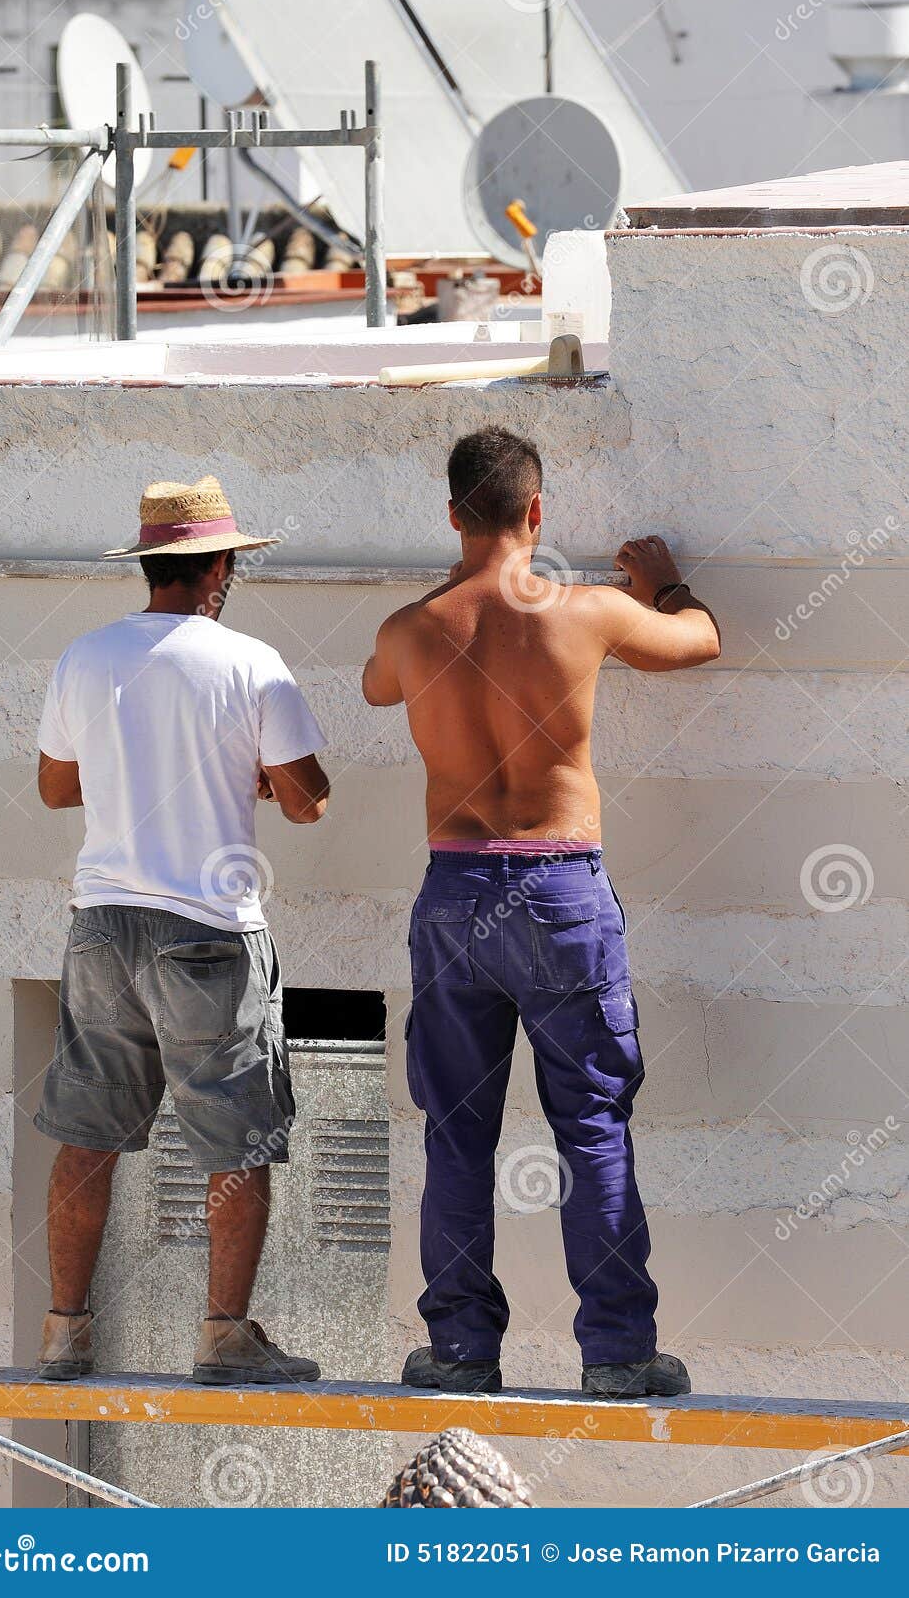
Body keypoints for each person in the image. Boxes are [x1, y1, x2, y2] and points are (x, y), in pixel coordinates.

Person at [363, 426, 721, 1399]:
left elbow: (375, 684)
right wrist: (667, 586)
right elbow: (702, 641)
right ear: (536, 513)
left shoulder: (410, 629)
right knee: (593, 1125)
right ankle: (615, 1354)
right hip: (561, 891)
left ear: (451, 515)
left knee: (455, 1133)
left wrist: (451, 597)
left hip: (454, 891)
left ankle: (462, 1353)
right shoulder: (589, 614)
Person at [33, 475, 330, 1386]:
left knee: (87, 1136)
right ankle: (224, 1336)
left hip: (101, 923)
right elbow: (310, 800)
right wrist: (240, 779)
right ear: (220, 567)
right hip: (205, 928)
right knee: (235, 1138)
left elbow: (55, 789)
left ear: (151, 565)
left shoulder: (84, 657)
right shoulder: (251, 662)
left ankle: (64, 1335)